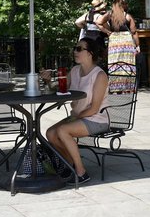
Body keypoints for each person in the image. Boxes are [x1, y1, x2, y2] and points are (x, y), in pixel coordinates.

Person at [44, 37, 109, 185]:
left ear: (90, 53)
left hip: (96, 119)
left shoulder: (99, 75)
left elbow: (94, 108)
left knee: (62, 131)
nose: (75, 51)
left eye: (79, 49)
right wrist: (48, 81)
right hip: (78, 117)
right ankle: (69, 164)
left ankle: (81, 172)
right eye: (75, 48)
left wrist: (76, 118)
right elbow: (60, 88)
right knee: (50, 133)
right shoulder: (75, 71)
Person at [97, 0, 140, 93]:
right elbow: (133, 32)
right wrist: (137, 46)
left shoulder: (110, 15)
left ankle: (115, 87)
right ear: (122, 6)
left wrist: (108, 32)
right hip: (126, 43)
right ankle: (128, 87)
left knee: (115, 64)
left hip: (114, 42)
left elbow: (98, 23)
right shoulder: (127, 16)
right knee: (127, 64)